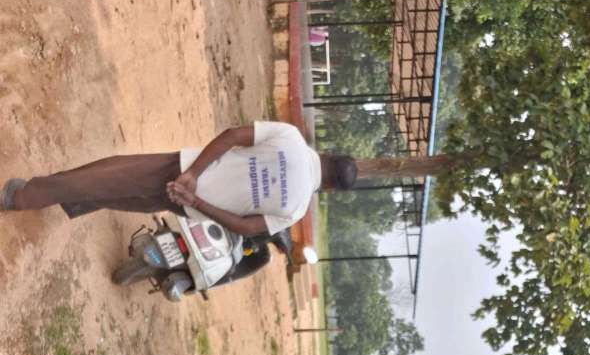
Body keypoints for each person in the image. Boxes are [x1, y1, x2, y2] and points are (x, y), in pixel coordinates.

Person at [0, 122, 357, 237]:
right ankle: (64, 198)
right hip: (189, 206)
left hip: (184, 169)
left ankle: (22, 197)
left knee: (107, 176)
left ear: (327, 154)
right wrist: (195, 201)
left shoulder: (291, 138)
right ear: (329, 188)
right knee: (119, 194)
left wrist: (192, 174)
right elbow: (246, 229)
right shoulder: (296, 209)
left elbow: (232, 135)